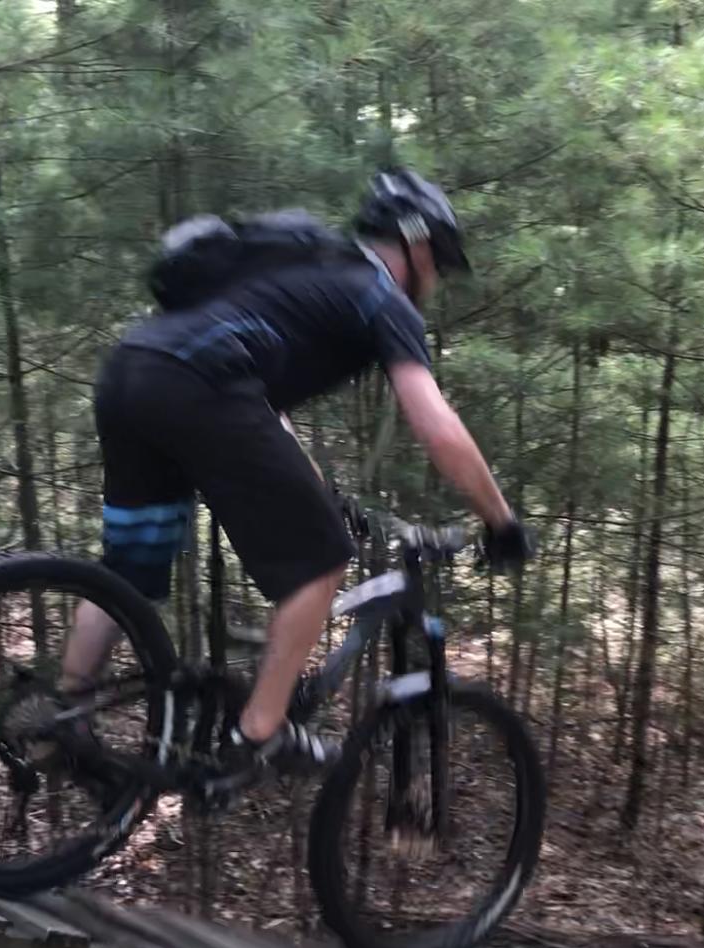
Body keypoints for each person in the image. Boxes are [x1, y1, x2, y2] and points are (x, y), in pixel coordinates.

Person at [59, 168, 532, 774]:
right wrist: (501, 521)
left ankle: (58, 719)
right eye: (439, 264)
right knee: (323, 561)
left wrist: (321, 495)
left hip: (132, 371)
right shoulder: (380, 295)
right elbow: (436, 425)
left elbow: (264, 412)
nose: (435, 281)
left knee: (125, 576)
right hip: (201, 384)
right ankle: (260, 733)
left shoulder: (303, 273)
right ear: (417, 247)